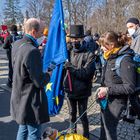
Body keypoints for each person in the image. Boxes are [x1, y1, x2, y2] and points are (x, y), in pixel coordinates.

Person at [10, 18, 50, 140]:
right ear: (34, 32)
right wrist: (49, 73)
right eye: (41, 32)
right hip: (30, 101)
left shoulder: (17, 44)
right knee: (34, 134)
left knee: (23, 129)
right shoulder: (32, 51)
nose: (43, 35)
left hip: (19, 96)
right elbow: (39, 81)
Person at [97, 31, 136, 140]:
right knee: (103, 128)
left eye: (103, 45)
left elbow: (129, 87)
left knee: (110, 131)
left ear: (112, 45)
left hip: (116, 103)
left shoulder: (125, 60)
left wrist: (107, 90)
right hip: (106, 99)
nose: (101, 48)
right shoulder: (109, 55)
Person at [63, 25, 95, 139]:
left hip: (82, 91)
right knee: (72, 115)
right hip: (69, 89)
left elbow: (86, 74)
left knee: (83, 116)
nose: (75, 41)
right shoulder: (66, 52)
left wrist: (71, 68)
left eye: (78, 39)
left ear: (82, 39)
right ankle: (72, 135)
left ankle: (86, 136)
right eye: (73, 39)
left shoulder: (89, 54)